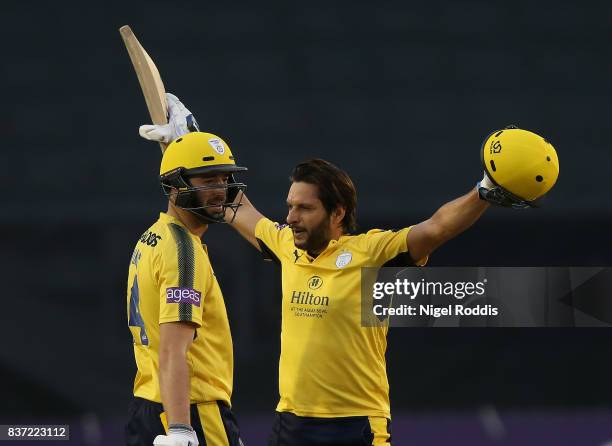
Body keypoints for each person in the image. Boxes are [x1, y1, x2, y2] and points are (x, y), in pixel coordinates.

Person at [140, 96, 559, 446]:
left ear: (336, 212)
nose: (291, 217)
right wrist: (189, 140)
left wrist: (482, 192)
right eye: (289, 206)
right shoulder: (286, 245)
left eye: (304, 208)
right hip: (291, 425)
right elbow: (232, 206)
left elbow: (437, 227)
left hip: (356, 427)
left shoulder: (372, 253)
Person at [127, 95, 247, 446]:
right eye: (208, 180)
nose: (220, 191)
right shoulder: (183, 251)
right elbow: (173, 349)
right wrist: (182, 429)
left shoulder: (153, 237)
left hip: (149, 403)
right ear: (176, 185)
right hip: (192, 408)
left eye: (224, 179)